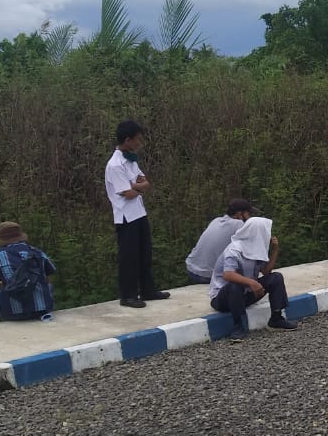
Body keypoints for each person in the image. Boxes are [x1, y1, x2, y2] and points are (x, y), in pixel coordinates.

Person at [104, 119, 170, 309]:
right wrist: (135, 187)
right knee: (129, 256)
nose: (139, 143)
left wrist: (135, 186)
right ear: (127, 140)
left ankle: (148, 289)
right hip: (125, 216)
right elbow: (128, 193)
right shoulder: (115, 165)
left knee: (145, 252)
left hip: (139, 213)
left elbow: (144, 182)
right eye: (137, 139)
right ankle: (128, 295)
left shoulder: (130, 160)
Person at [209, 217, 297, 335]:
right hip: (223, 298)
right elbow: (228, 275)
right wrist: (252, 283)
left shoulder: (256, 249)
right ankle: (238, 326)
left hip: (246, 294)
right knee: (235, 286)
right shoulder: (234, 250)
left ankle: (276, 318)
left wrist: (275, 250)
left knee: (276, 278)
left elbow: (266, 271)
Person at [0, 222, 58, 327]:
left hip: (13, 313)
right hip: (42, 310)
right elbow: (47, 280)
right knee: (48, 286)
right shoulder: (38, 252)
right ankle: (41, 306)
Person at [185, 198, 256, 284]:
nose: (250, 217)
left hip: (191, 269)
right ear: (239, 214)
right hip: (208, 276)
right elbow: (252, 246)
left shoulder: (216, 220)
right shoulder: (239, 224)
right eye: (248, 214)